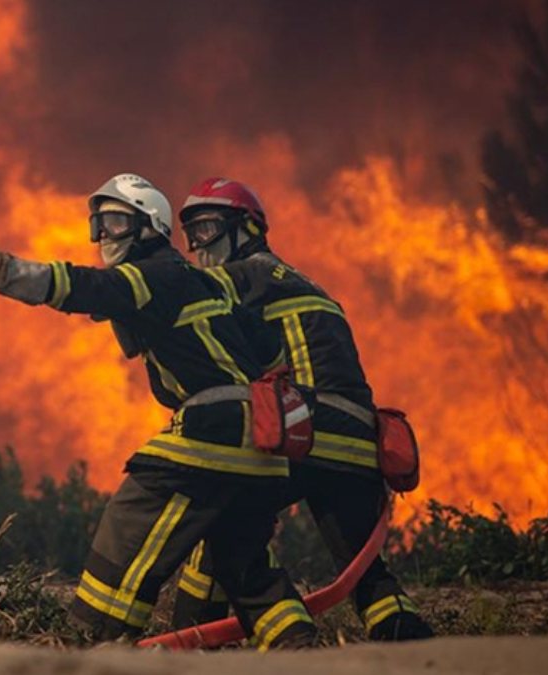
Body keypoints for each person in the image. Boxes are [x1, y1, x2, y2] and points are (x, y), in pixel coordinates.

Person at [0, 173, 317, 648]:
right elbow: (268, 352)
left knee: (129, 518)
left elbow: (86, 288)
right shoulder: (204, 282)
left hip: (215, 428)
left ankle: (94, 641)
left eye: (117, 222)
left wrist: (6, 272)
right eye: (98, 224)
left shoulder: (152, 272)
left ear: (150, 227)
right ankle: (298, 647)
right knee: (240, 559)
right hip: (263, 443)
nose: (103, 236)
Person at [173, 177, 434, 641]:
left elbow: (177, 291)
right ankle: (404, 635)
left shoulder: (245, 275)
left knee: (225, 522)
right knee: (363, 565)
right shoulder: (301, 282)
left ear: (247, 229)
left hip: (306, 432)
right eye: (190, 235)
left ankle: (278, 634)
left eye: (208, 229)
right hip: (357, 441)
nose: (198, 246)